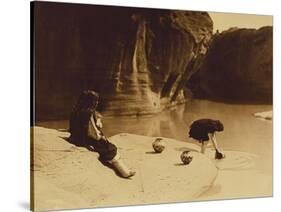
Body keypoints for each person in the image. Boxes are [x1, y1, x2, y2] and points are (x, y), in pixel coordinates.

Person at [69, 90, 136, 178]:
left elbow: (73, 127)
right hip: (85, 140)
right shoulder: (89, 113)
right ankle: (124, 172)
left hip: (76, 138)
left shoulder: (75, 110)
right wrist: (101, 137)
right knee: (109, 148)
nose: (96, 103)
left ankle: (124, 170)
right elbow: (92, 132)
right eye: (95, 101)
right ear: (90, 101)